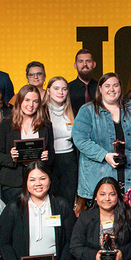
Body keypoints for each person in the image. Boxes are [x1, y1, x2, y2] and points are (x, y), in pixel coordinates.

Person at [75, 73, 131, 207]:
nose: (111, 90)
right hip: (99, 176)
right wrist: (105, 156)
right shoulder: (88, 110)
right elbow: (80, 140)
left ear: (120, 87)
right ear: (100, 88)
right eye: (107, 86)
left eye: (115, 85)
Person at [0, 84, 55, 204]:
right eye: (27, 100)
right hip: (12, 182)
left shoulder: (46, 125)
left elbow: (52, 155)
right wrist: (11, 158)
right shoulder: (6, 124)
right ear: (20, 101)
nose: (30, 105)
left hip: (38, 182)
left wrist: (47, 157)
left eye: (35, 101)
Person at [45, 76, 78, 206]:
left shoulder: (73, 113)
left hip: (69, 160)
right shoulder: (42, 112)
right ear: (48, 91)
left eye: (64, 89)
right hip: (50, 161)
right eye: (56, 88)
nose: (61, 92)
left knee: (68, 201)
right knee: (51, 200)